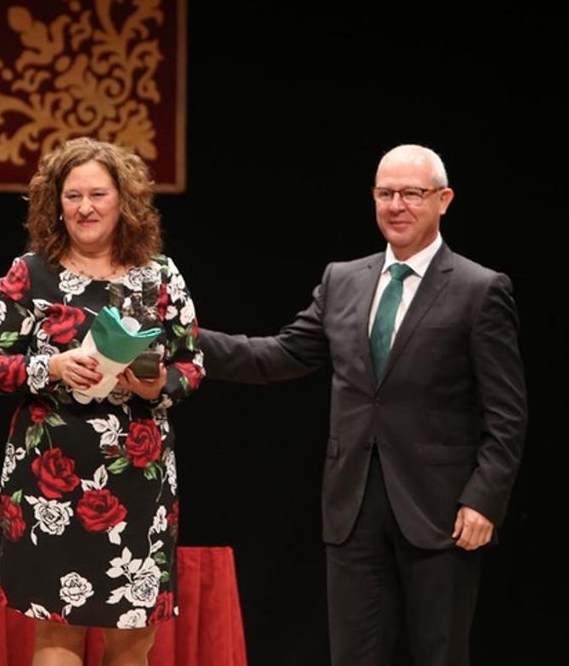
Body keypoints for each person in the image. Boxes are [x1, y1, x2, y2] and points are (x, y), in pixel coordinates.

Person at [198, 143, 528, 666]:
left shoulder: (479, 289)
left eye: (412, 194)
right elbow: (280, 354)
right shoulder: (343, 280)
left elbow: (506, 412)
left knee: (440, 654)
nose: (397, 205)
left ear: (443, 200)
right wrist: (186, 339)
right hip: (352, 503)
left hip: (440, 508)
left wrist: (484, 499)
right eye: (385, 193)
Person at [0, 137, 205, 665]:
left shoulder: (160, 275)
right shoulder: (29, 273)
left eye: (98, 195)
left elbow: (192, 365)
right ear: (56, 203)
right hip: (50, 479)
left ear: (124, 201)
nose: (85, 207)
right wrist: (51, 367)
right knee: (58, 632)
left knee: (131, 640)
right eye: (73, 196)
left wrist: (157, 385)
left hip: (137, 476)